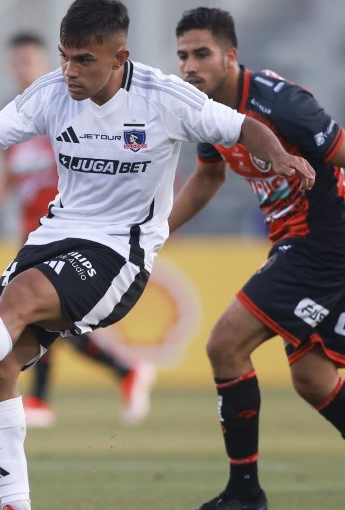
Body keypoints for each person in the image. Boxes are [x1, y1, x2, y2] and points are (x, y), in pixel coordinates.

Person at [0, 1, 315, 508]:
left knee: (20, 300)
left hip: (120, 252)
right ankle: (16, 504)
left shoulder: (164, 98)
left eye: (82, 60)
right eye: (63, 57)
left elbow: (241, 127)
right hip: (53, 234)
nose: (69, 71)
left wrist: (278, 155)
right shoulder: (52, 92)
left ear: (118, 57)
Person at [173, 8, 345, 510]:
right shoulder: (206, 110)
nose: (190, 67)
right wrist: (157, 232)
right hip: (298, 244)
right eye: (183, 56)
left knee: (225, 344)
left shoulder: (281, 103)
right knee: (313, 381)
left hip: (323, 242)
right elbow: (208, 177)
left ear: (231, 56)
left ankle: (245, 496)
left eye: (202, 54)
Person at [0, 31, 155, 428]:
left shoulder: (64, 106)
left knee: (49, 315)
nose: (22, 67)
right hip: (32, 230)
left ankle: (51, 396)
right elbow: (12, 169)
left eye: (29, 59)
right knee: (40, 316)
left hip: (69, 229)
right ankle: (118, 374)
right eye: (16, 61)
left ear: (46, 59)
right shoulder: (14, 113)